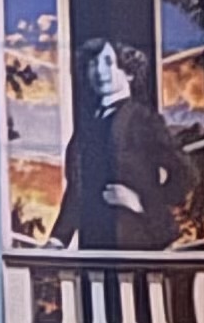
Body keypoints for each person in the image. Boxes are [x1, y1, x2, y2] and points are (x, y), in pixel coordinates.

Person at [49, 37, 194, 256]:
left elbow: (185, 174)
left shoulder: (143, 119)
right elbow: (77, 190)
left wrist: (140, 203)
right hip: (94, 246)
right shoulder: (86, 128)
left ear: (129, 72)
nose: (100, 71)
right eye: (93, 63)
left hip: (137, 243)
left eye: (108, 62)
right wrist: (58, 239)